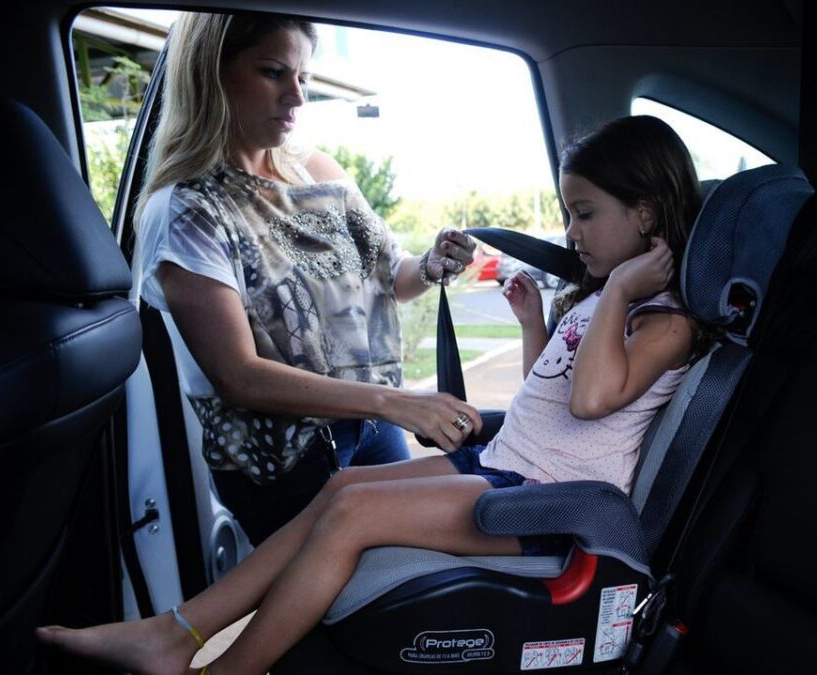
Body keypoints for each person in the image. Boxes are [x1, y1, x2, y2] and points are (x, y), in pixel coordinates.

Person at [37, 115, 707, 675]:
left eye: (585, 214)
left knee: (351, 518)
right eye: (569, 214)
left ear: (644, 213)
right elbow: (558, 395)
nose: (571, 233)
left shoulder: (663, 320)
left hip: (553, 504)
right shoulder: (606, 303)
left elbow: (592, 403)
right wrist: (537, 323)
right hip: (510, 465)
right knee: (341, 489)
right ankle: (175, 631)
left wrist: (617, 290)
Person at [129, 12, 483, 544]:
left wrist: (432, 264)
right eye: (273, 73)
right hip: (281, 463)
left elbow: (395, 276)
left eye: (303, 78)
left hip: (372, 428)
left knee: (392, 594)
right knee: (325, 615)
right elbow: (239, 376)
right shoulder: (187, 210)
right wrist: (402, 402)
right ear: (212, 75)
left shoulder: (318, 171)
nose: (296, 98)